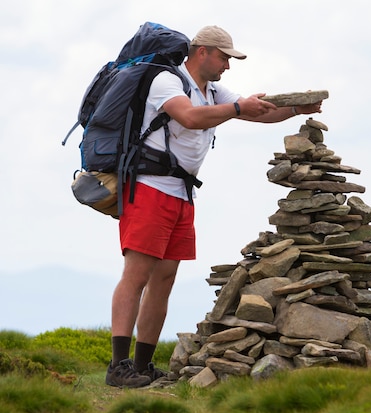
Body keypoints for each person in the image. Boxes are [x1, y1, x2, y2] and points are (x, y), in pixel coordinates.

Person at [105, 25, 323, 388]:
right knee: (137, 275)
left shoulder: (213, 90)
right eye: (224, 57)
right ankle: (118, 366)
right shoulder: (167, 81)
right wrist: (238, 107)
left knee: (164, 279)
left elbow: (254, 113)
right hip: (149, 187)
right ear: (202, 51)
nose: (228, 65)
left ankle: (142, 366)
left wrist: (296, 109)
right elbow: (189, 117)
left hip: (181, 193)